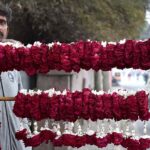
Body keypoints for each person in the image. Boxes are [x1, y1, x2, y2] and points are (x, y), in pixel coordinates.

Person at [0, 2, 31, 150]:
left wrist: (27, 135)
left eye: (2, 23)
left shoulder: (13, 62)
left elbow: (21, 103)